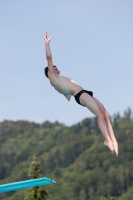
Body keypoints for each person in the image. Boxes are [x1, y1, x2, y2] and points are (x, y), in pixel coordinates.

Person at [44, 32, 118, 156]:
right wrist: (47, 44)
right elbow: (49, 58)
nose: (58, 70)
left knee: (106, 113)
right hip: (80, 95)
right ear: (50, 73)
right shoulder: (53, 79)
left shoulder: (59, 78)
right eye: (55, 69)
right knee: (100, 114)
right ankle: (107, 140)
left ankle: (113, 140)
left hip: (84, 93)